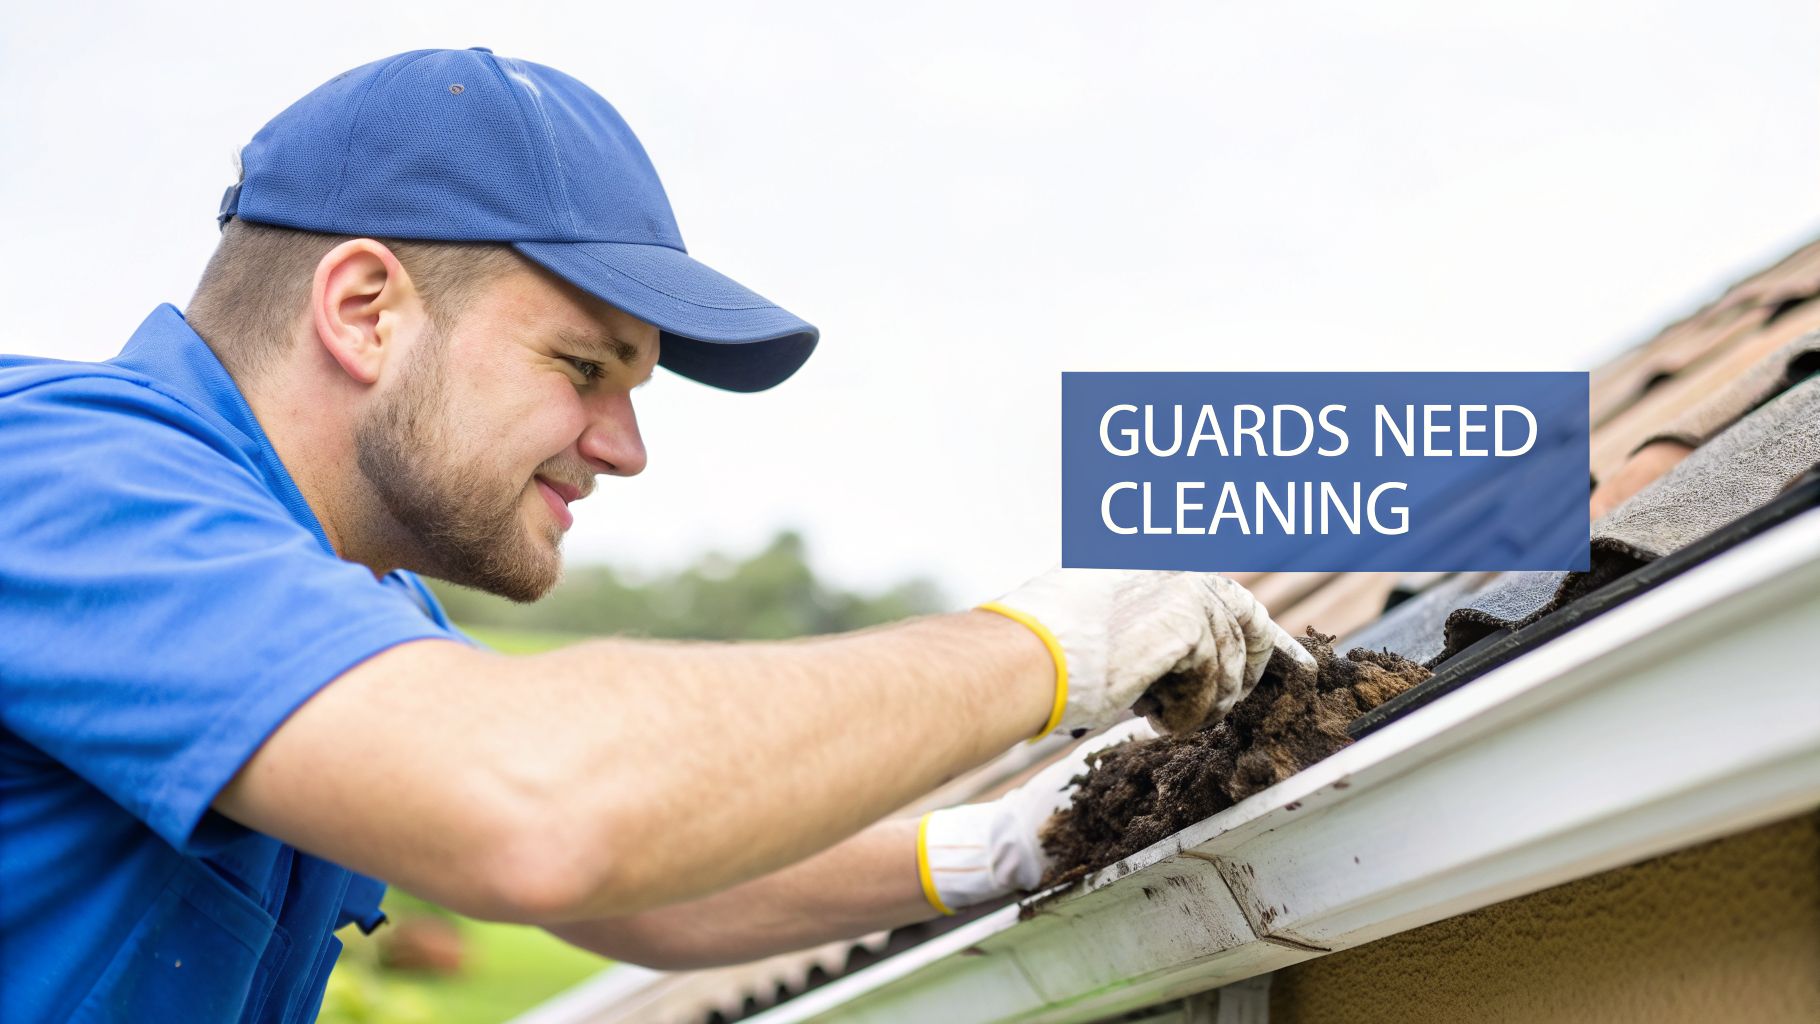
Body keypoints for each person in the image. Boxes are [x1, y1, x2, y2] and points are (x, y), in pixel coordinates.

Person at [0, 48, 1310, 1023]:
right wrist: (1043, 649)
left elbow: (627, 888)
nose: (628, 449)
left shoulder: (345, 601)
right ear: (364, 310)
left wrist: (1000, 845)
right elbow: (542, 805)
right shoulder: (57, 484)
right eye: (584, 366)